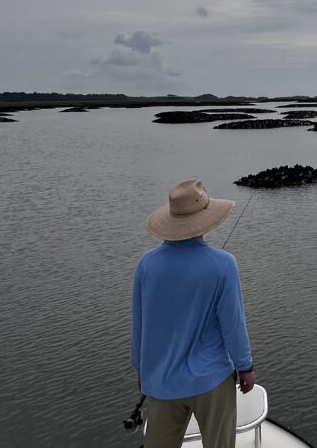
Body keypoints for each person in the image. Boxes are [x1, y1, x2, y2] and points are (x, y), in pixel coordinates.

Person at [132, 179, 255, 448]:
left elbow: (139, 326)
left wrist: (141, 370)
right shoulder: (224, 265)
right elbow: (232, 325)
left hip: (161, 382)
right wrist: (245, 367)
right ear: (205, 219)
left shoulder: (146, 266)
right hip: (212, 380)